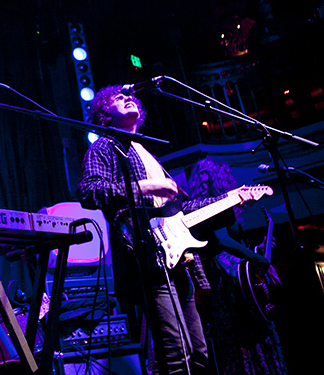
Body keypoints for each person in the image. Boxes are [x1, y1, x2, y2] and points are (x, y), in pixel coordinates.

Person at [76, 85, 259, 375]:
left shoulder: (145, 153)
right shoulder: (104, 147)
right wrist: (145, 187)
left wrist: (229, 199)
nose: (128, 97)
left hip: (178, 260)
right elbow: (89, 191)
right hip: (148, 258)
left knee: (198, 353)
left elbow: (183, 211)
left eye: (130, 97)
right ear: (103, 116)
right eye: (118, 98)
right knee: (175, 354)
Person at [187, 158, 288, 374]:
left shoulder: (226, 207)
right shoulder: (209, 207)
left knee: (257, 331)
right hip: (228, 276)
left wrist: (258, 248)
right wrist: (258, 259)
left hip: (238, 274)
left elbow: (237, 241)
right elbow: (222, 240)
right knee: (243, 334)